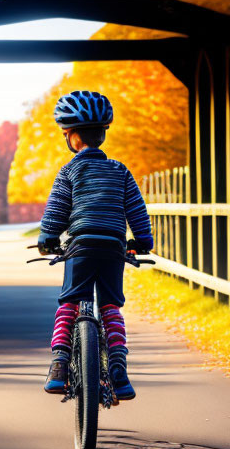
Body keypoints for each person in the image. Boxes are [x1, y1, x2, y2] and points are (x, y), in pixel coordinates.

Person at [38, 90, 153, 401]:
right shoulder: (120, 171)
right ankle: (118, 369)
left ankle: (60, 365)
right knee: (110, 306)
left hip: (82, 245)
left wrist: (47, 239)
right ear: (103, 133)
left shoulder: (69, 170)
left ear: (71, 137)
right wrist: (142, 241)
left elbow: (57, 210)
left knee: (70, 303)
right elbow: (136, 211)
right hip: (114, 246)